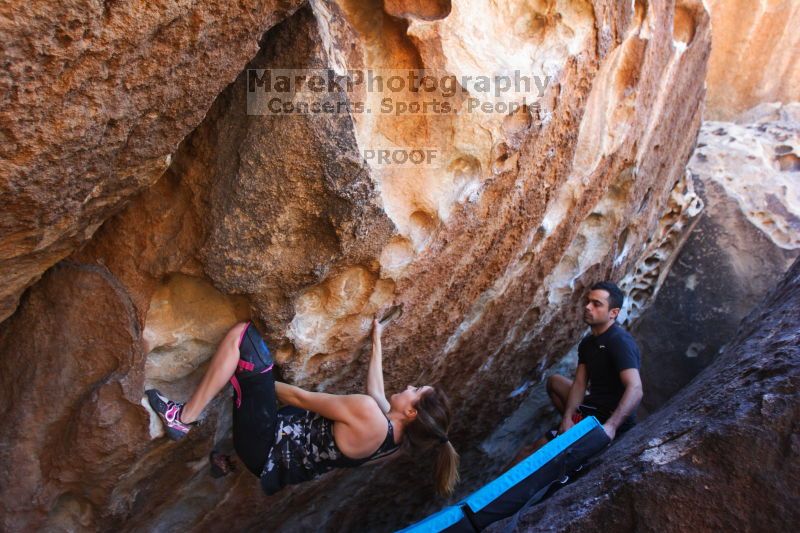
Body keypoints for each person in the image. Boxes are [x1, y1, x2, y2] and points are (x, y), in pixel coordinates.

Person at [145, 312, 460, 496]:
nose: (408, 386)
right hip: (271, 465)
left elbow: (298, 397)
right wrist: (377, 338)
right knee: (293, 420)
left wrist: (252, 379)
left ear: (411, 411)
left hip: (263, 443)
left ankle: (182, 417)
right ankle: (228, 460)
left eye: (415, 390)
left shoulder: (369, 414)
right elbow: (376, 392)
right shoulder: (393, 444)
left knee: (244, 339)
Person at [512, 281, 643, 463]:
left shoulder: (619, 342)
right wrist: (567, 418)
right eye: (588, 302)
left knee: (529, 453)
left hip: (607, 418)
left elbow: (635, 388)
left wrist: (611, 427)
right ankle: (571, 428)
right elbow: (580, 384)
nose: (588, 307)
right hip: (591, 406)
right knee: (554, 381)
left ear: (613, 313)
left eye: (597, 304)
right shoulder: (588, 343)